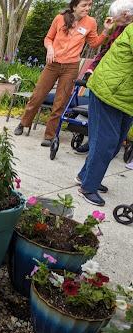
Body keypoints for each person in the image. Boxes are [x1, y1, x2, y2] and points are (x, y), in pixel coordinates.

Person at [14, 0, 113, 147]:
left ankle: (49, 135)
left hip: (71, 67)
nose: (88, 8)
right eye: (84, 5)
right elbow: (48, 38)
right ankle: (24, 123)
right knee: (37, 95)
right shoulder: (59, 18)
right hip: (53, 64)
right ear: (74, 6)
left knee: (60, 102)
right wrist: (50, 49)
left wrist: (105, 31)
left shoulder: (90, 22)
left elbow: (94, 43)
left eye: (89, 5)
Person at [76, 23, 133, 206]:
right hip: (108, 91)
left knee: (115, 143)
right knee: (106, 142)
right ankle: (88, 187)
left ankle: (85, 176)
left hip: (126, 98)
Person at [73, 0, 133, 154]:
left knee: (113, 132)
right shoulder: (119, 28)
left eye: (118, 19)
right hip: (109, 84)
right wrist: (91, 69)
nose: (115, 23)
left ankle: (99, 151)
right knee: (100, 125)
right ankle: (94, 147)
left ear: (127, 15)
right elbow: (105, 50)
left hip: (124, 88)